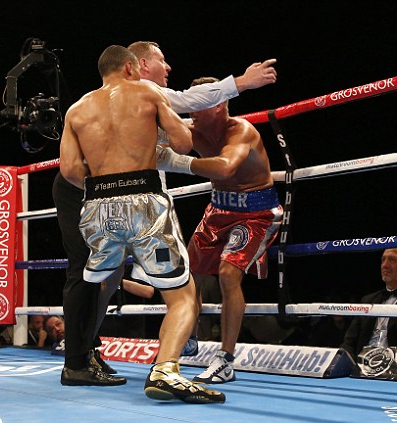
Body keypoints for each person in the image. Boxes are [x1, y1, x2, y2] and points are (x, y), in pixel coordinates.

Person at [52, 40, 276, 386]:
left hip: (96, 201)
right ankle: (164, 371)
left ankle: (80, 355)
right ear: (134, 66)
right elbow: (185, 135)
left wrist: (103, 187)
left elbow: (68, 168)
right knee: (182, 295)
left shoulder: (78, 109)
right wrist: (241, 83)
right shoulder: (147, 92)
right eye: (161, 60)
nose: (168, 68)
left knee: (98, 280)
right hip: (141, 200)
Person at [156, 76, 283, 383]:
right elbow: (153, 139)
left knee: (228, 273)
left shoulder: (241, 131)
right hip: (218, 209)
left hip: (255, 213)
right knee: (186, 277)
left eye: (201, 102)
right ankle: (184, 336)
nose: (193, 109)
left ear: (221, 103)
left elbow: (226, 167)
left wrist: (177, 162)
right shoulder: (192, 132)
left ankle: (225, 359)